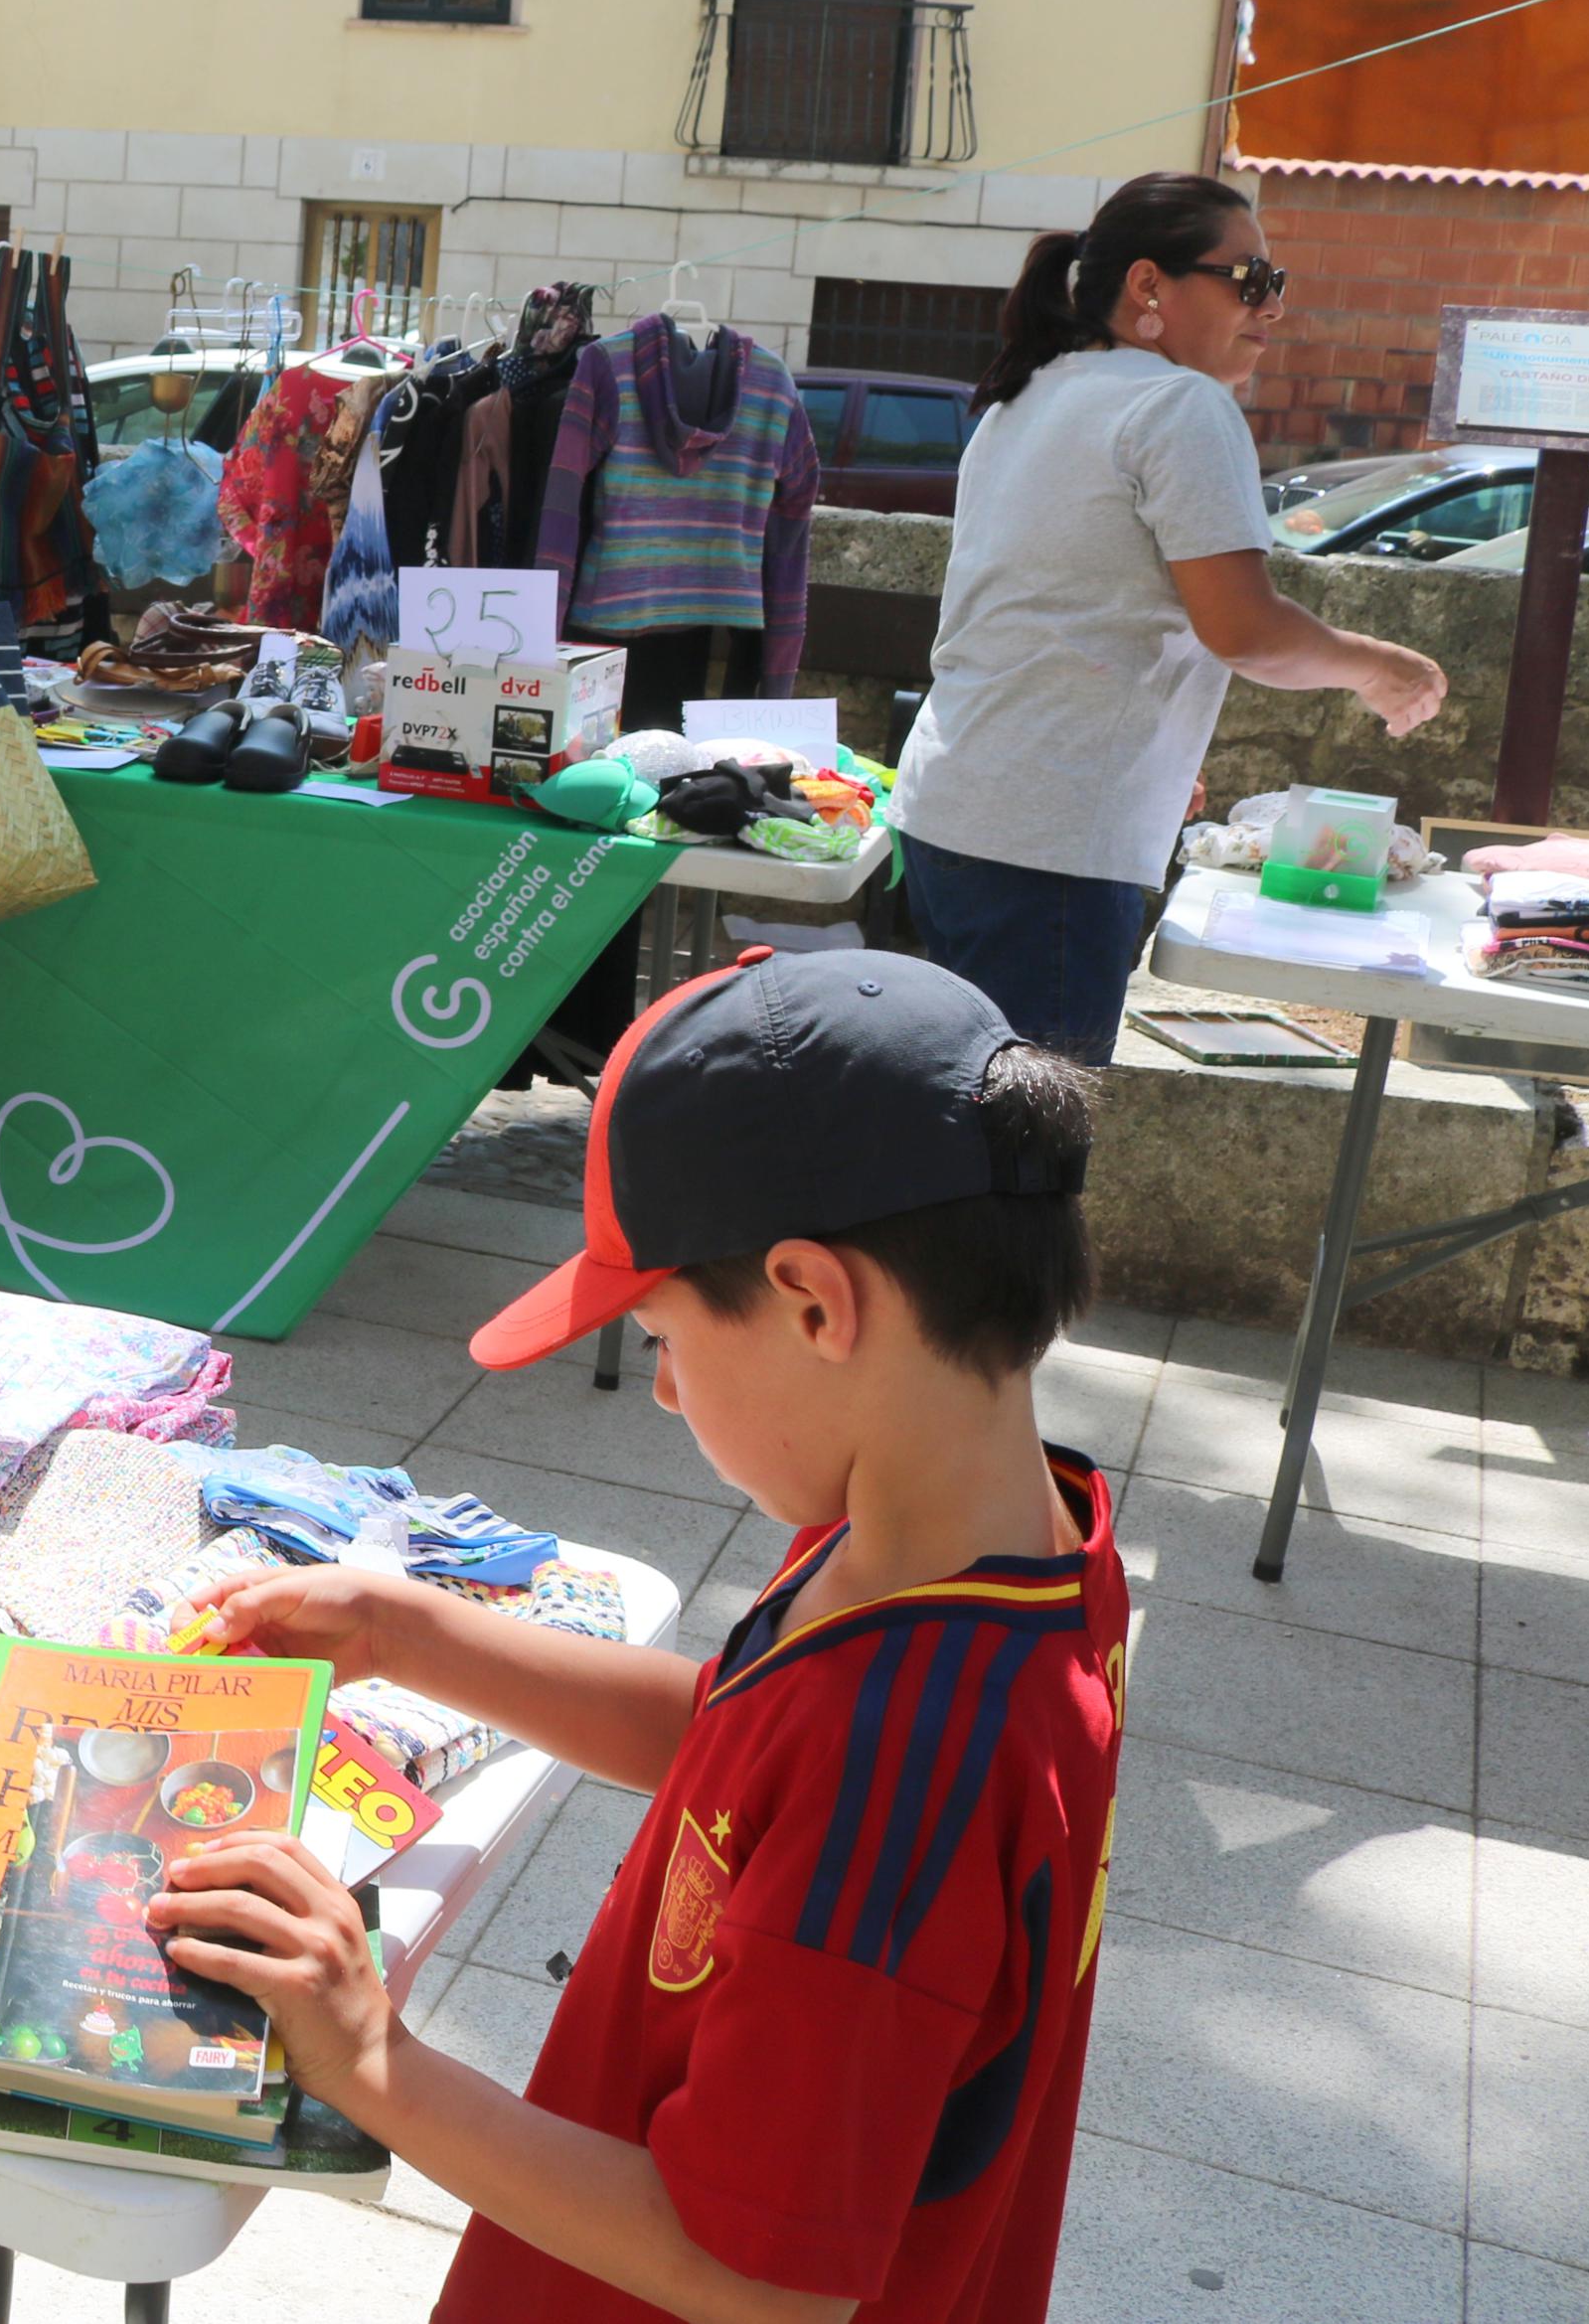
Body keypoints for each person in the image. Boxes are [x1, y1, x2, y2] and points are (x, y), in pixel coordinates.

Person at [159, 948, 1127, 2324]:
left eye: (663, 1330)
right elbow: (740, 1742)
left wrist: (370, 2051)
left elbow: (753, 2271)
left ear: (811, 1300)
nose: (663, 1390)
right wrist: (407, 1627)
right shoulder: (978, 1538)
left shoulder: (912, 1756)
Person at [889, 171, 1448, 1060]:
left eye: (1277, 284)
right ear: (1149, 285)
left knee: (961, 1126)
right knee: (1025, 1160)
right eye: (1250, 280)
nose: (1269, 308)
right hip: (1047, 843)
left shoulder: (1032, 390)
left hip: (952, 811)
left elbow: (1058, 611)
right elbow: (1246, 630)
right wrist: (1380, 666)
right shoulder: (1179, 403)